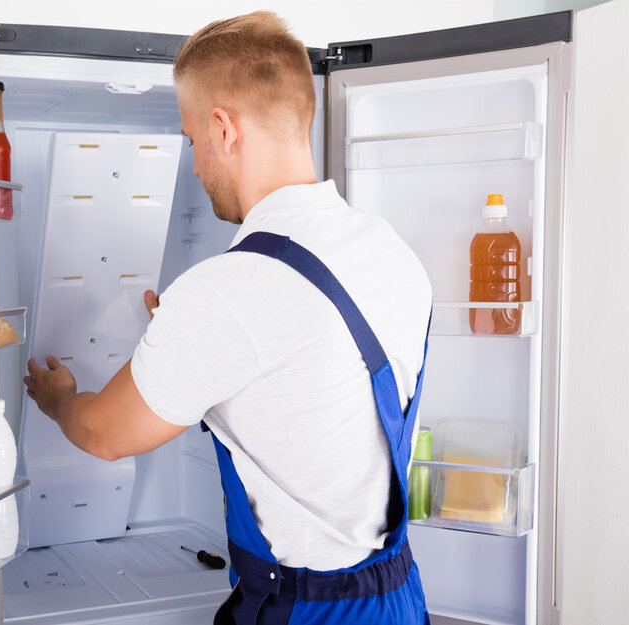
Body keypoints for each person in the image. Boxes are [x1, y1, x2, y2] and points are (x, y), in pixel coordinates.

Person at [23, 11, 433, 625]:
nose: (193, 166)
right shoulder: (390, 250)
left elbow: (105, 435)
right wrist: (188, 346)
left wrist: (59, 398)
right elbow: (307, 403)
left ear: (224, 128)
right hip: (397, 597)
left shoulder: (230, 290)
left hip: (308, 612)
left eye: (191, 141)